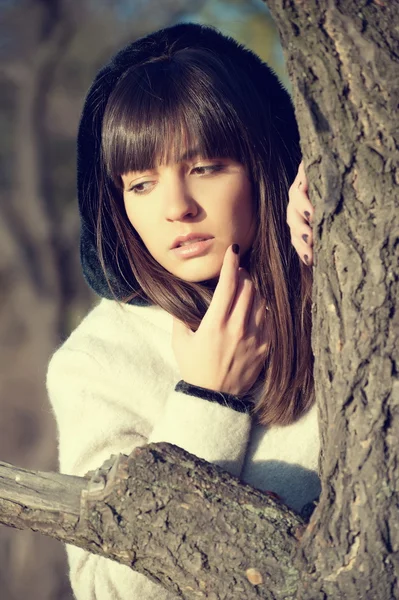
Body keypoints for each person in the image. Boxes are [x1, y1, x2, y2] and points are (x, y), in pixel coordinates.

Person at [47, 22, 316, 600]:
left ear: (265, 164)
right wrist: (207, 401)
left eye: (205, 168)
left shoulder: (339, 293)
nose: (176, 208)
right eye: (141, 184)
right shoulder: (96, 362)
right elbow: (107, 592)